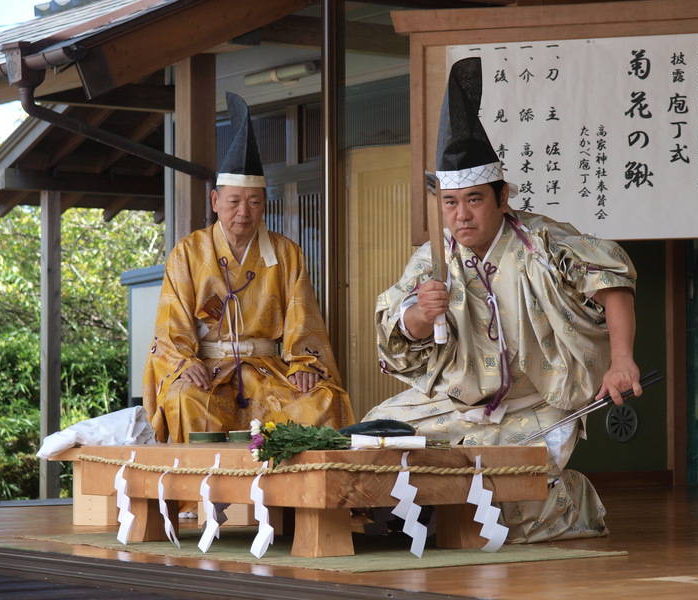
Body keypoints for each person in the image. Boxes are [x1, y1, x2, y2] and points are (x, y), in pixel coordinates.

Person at [364, 57, 641, 543]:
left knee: (498, 506)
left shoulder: (543, 243)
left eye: (474, 200)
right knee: (372, 439)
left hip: (537, 403)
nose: (461, 215)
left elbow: (611, 279)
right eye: (450, 203)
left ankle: (572, 501)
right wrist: (419, 318)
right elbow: (396, 325)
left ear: (502, 197)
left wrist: (621, 361)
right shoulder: (434, 256)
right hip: (455, 404)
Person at [143, 92, 354, 448]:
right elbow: (170, 324)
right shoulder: (189, 252)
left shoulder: (287, 253)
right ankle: (202, 501)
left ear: (264, 203)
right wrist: (183, 362)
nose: (244, 211)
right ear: (215, 201)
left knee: (321, 402)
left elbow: (303, 319)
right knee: (185, 401)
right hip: (208, 371)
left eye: (254, 202)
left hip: (269, 369)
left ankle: (296, 499)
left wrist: (303, 363)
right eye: (234, 201)